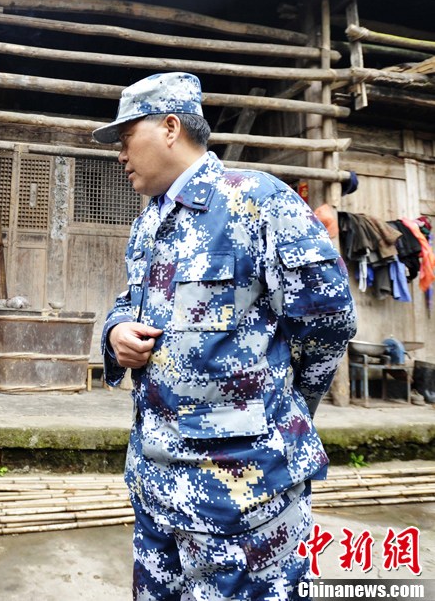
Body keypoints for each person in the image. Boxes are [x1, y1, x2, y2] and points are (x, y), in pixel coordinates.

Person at [92, 73, 357, 600]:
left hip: (242, 495)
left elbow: (329, 319)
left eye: (126, 137)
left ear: (171, 128)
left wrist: (282, 409)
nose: (119, 153)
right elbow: (130, 302)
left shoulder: (257, 201)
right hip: (155, 485)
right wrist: (116, 330)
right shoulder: (148, 222)